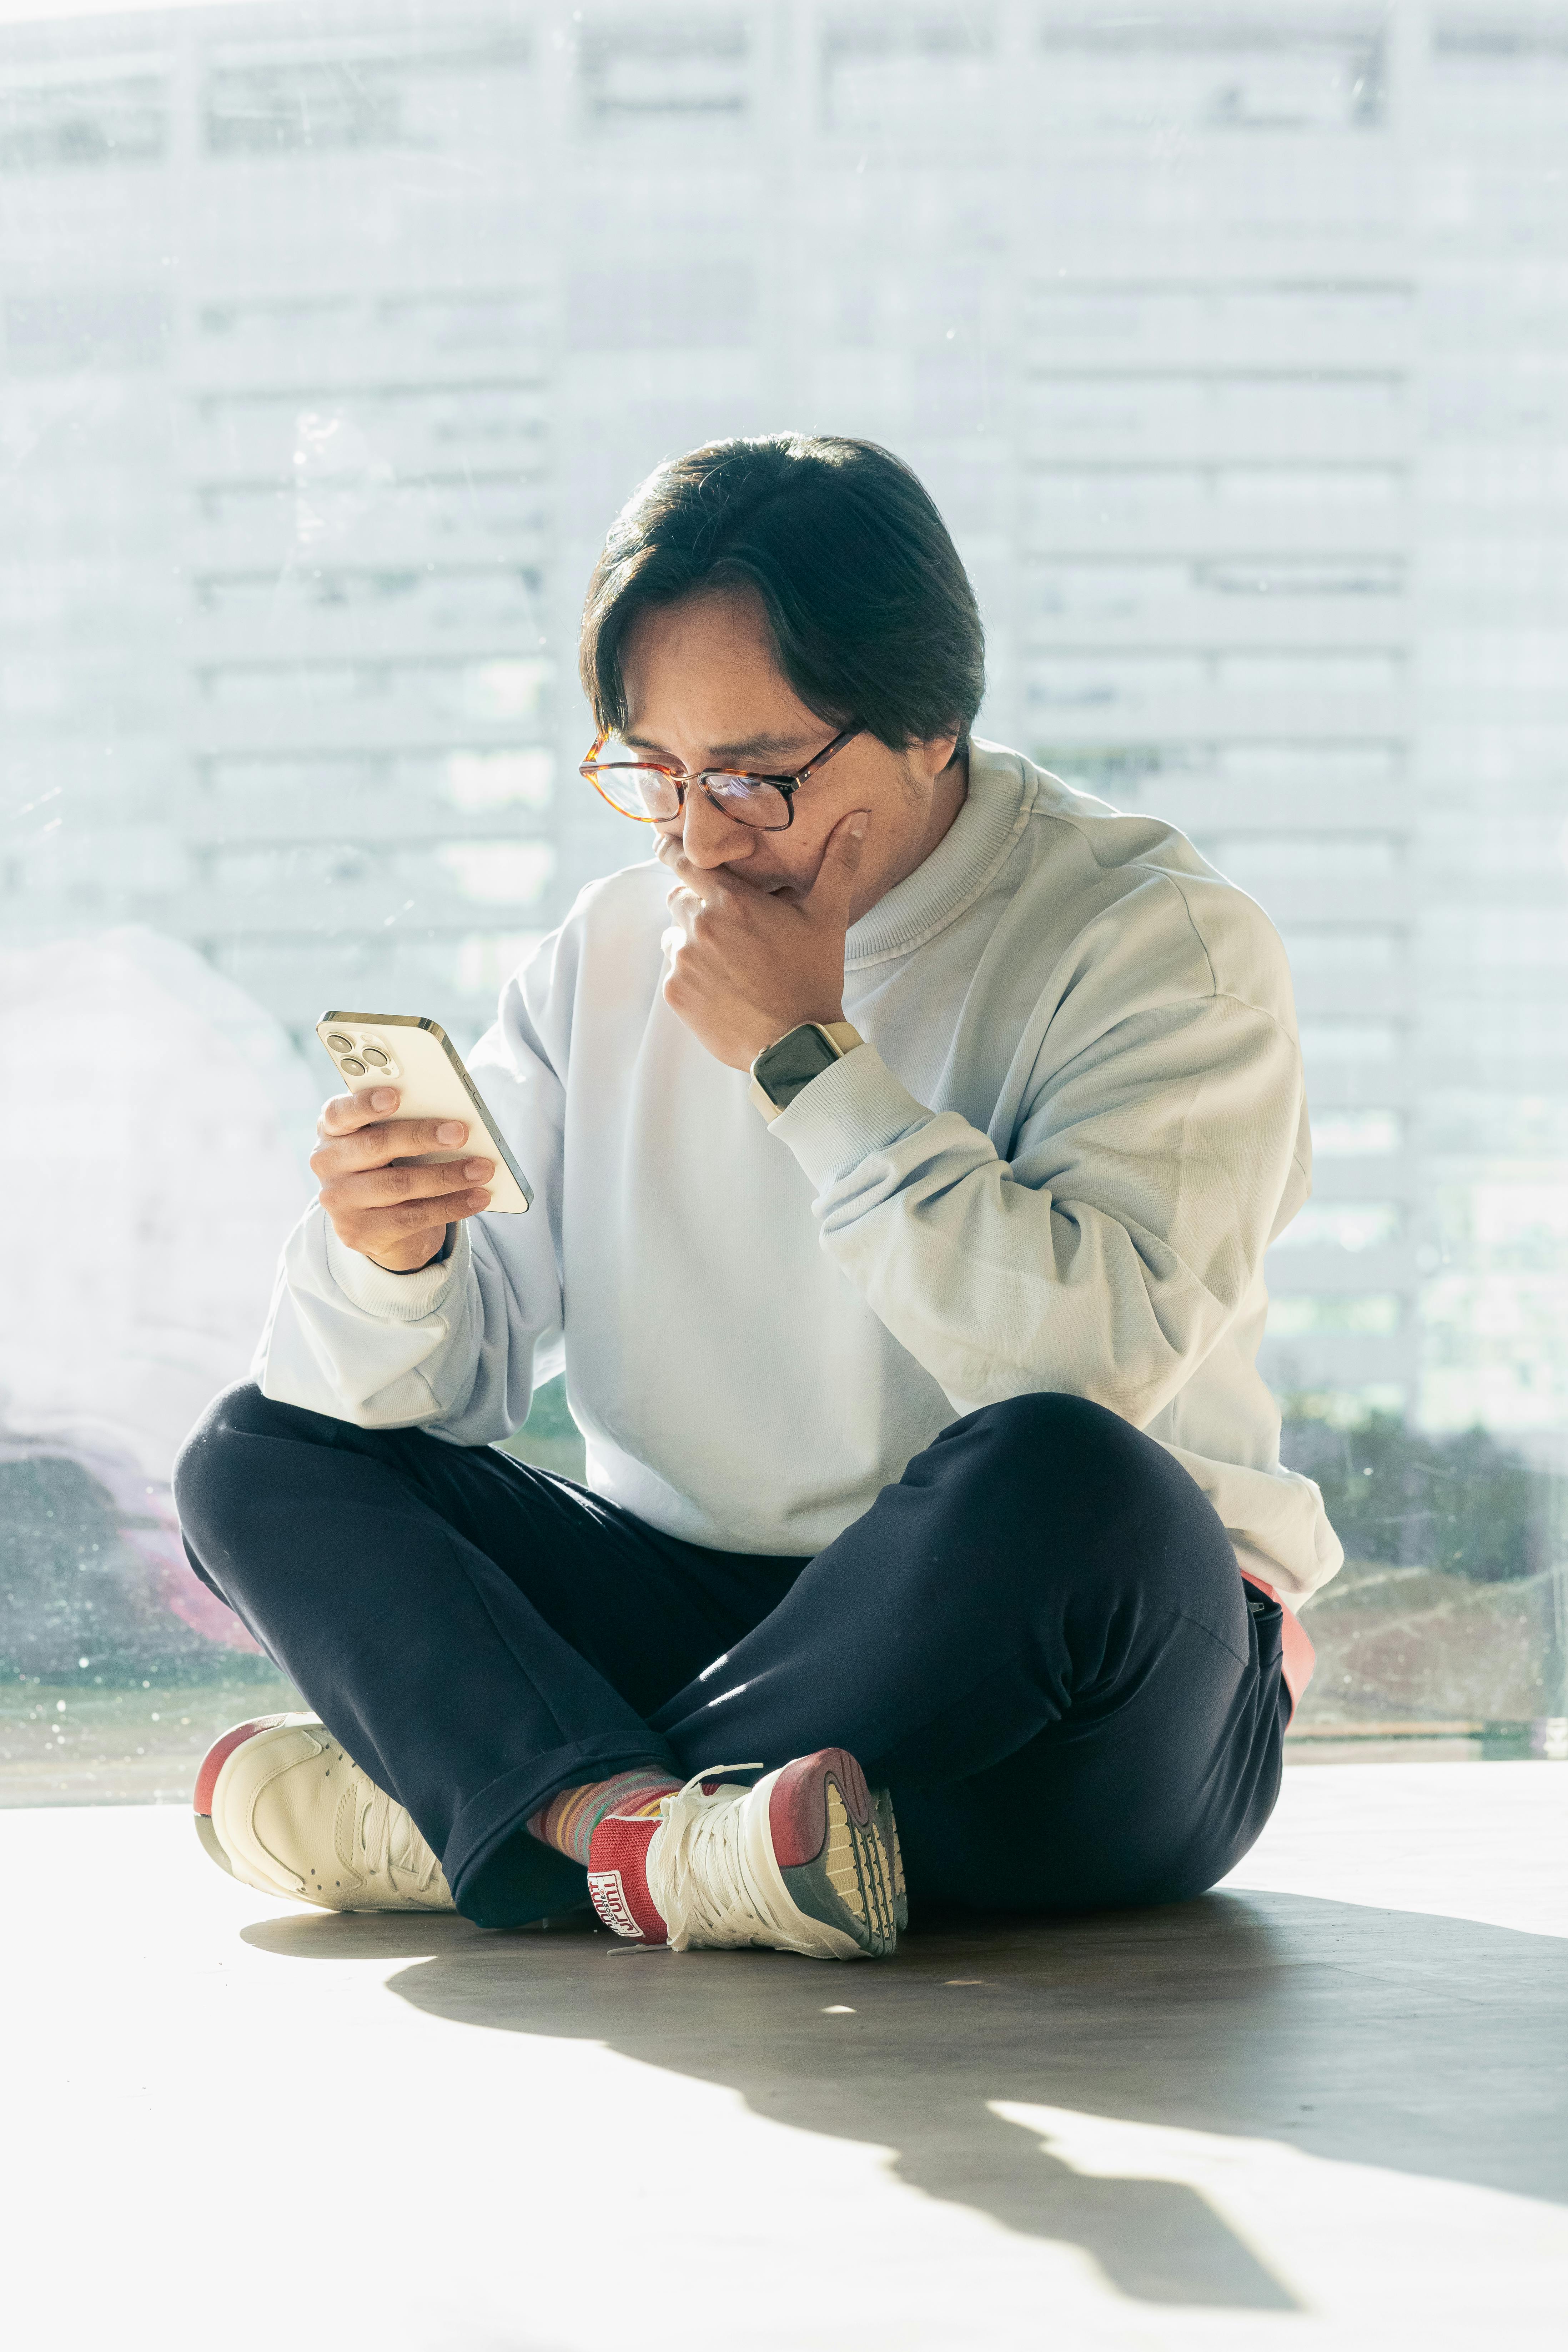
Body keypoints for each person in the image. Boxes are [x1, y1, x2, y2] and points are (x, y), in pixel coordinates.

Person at [175, 433, 1340, 1964]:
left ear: (933, 723)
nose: (703, 838)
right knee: (261, 1450)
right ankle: (638, 1835)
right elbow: (435, 1392)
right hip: (697, 1607)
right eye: (654, 774)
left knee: (1075, 1476)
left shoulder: (1156, 943)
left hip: (1057, 1675)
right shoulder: (605, 948)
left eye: (757, 776)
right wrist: (396, 1259)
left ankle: (501, 1809)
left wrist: (810, 1062)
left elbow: (1088, 1369)